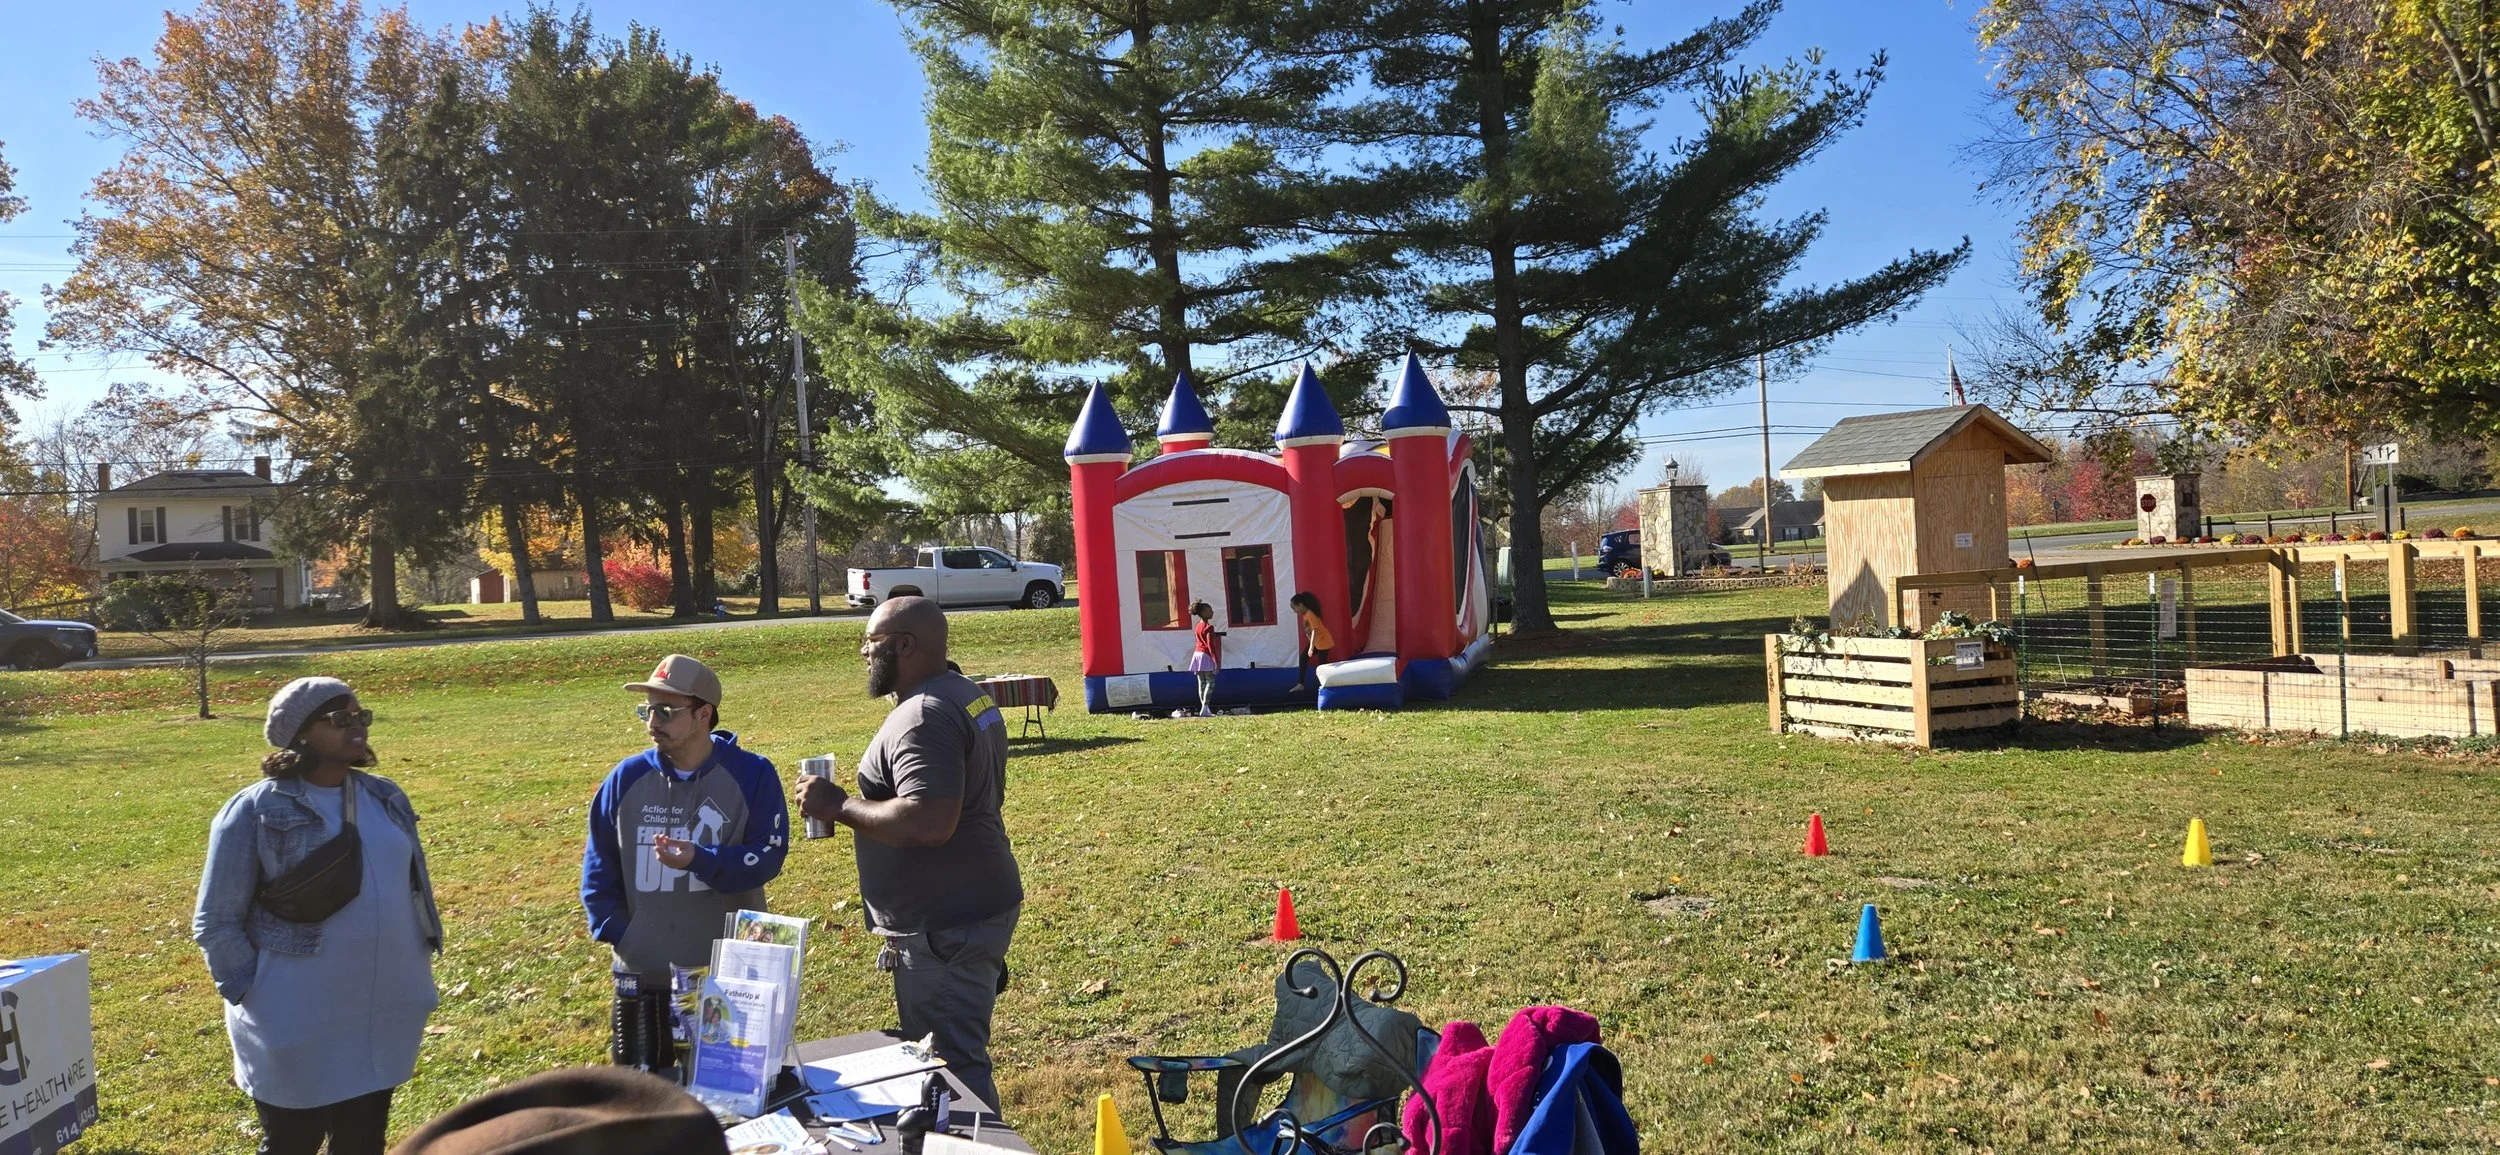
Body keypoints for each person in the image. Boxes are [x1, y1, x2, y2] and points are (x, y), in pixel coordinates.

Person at [193, 677, 442, 1155]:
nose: (357, 727)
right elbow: (216, 920)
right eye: (340, 719)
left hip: (380, 1008)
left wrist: (418, 975)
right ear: (301, 733)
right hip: (297, 1013)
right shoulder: (254, 809)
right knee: (293, 1141)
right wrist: (252, 993)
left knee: (363, 1140)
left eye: (361, 716)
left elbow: (411, 891)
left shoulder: (385, 797)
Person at [794, 596, 1023, 1114]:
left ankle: (973, 1146)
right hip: (973, 906)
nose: (863, 652)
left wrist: (837, 805)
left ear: (904, 645)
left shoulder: (922, 717)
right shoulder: (967, 693)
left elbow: (928, 822)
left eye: (870, 642)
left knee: (950, 1070)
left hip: (945, 925)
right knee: (955, 1058)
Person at [582, 654, 788, 1073]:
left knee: (725, 1091)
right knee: (646, 1094)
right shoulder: (626, 778)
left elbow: (767, 857)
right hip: (644, 975)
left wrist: (700, 858)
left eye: (665, 711)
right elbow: (599, 869)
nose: (651, 721)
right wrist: (626, 935)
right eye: (647, 710)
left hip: (725, 979)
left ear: (703, 714)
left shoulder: (752, 774)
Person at [1287, 592, 1332, 693]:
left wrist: (1311, 646)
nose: (1295, 611)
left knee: (1322, 666)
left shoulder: (1310, 614)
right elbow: (1311, 632)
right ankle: (1301, 684)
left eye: (1295, 608)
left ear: (1300, 605)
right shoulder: (1306, 616)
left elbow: (1315, 630)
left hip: (1323, 642)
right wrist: (1308, 635)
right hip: (1317, 642)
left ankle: (1325, 687)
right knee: (1303, 658)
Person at [1188, 600, 1222, 715]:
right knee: (1210, 682)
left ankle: (1204, 708)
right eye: (1209, 611)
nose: (1212, 612)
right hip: (1205, 655)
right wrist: (1216, 660)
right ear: (1203, 612)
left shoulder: (1198, 625)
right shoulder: (1209, 627)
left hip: (1197, 654)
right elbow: (1210, 645)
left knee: (1201, 683)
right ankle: (1205, 706)